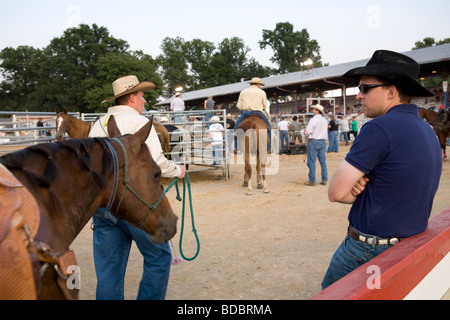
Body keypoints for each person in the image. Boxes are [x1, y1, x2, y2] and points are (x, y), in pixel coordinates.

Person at [322, 50, 442, 289]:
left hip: (369, 247)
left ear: (391, 92)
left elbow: (335, 193)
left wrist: (354, 191)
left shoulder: (379, 128)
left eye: (366, 88)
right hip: (407, 243)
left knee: (329, 293)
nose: (359, 95)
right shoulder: (427, 129)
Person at [89, 75, 186, 300]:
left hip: (104, 205)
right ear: (132, 97)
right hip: (137, 204)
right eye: (142, 96)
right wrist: (177, 170)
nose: (143, 101)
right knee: (158, 258)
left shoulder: (97, 124)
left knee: (108, 272)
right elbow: (157, 161)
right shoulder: (139, 123)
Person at [234, 77, 272, 150]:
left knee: (236, 128)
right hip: (258, 113)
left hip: (246, 113)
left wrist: (243, 110)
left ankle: (236, 147)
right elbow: (264, 105)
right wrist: (262, 108)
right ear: (258, 84)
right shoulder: (262, 92)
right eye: (260, 85)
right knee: (269, 127)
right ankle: (268, 147)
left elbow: (239, 105)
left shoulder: (243, 91)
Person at [304, 104, 328, 186]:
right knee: (323, 162)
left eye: (314, 109)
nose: (313, 110)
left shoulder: (313, 120)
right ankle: (324, 179)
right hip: (322, 141)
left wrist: (307, 136)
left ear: (317, 111)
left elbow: (308, 131)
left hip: (314, 141)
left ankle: (312, 180)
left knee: (311, 161)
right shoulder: (325, 120)